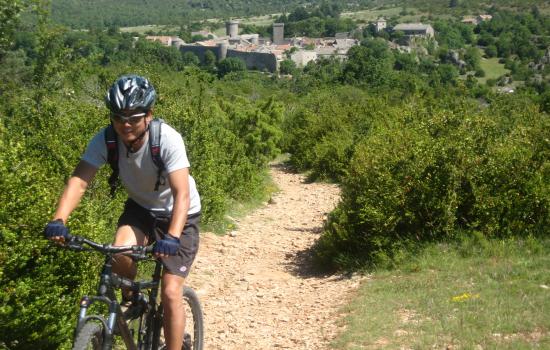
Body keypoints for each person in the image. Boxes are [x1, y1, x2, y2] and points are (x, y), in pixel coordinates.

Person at [43, 74, 201, 350]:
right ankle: (134, 298)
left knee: (171, 292)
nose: (124, 124)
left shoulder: (167, 139)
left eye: (133, 118)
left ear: (148, 115)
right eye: (118, 117)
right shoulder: (106, 139)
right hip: (141, 208)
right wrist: (59, 219)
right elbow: (80, 180)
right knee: (119, 252)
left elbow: (182, 193)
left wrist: (173, 236)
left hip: (179, 214)